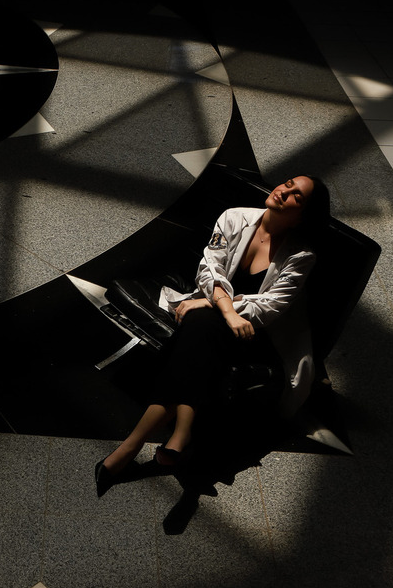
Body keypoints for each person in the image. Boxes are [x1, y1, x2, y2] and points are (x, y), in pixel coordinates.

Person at [95, 175, 331, 496]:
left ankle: (132, 447)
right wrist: (225, 310)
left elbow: (269, 307)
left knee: (199, 322)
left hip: (255, 335)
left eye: (296, 197)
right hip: (215, 325)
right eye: (288, 184)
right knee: (202, 327)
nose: (284, 192)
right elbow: (209, 268)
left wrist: (216, 305)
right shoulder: (234, 217)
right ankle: (175, 437)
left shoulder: (301, 256)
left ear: (302, 216)